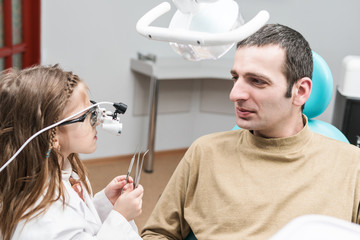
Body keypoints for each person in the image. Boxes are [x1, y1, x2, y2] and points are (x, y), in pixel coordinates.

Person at [140, 24, 360, 239]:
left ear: (300, 91)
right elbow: (156, 233)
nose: (235, 94)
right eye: (236, 78)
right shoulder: (204, 153)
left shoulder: (352, 165)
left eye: (257, 81)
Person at [0, 65, 144, 240]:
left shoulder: (62, 170)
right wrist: (120, 217)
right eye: (86, 116)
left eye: (93, 109)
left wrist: (106, 204)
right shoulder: (43, 215)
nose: (97, 121)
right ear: (53, 137)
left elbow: (80, 227)